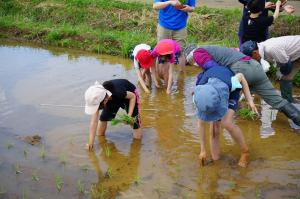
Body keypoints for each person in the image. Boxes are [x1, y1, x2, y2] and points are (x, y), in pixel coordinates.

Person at [184, 44, 300, 126]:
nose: (194, 64)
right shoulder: (213, 49)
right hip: (255, 67)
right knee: (277, 101)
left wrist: (200, 87)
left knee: (221, 92)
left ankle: (219, 121)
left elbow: (214, 70)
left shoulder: (197, 53)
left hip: (240, 68)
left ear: (190, 57)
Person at [194, 65, 258, 167]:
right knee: (214, 128)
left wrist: (250, 100)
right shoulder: (201, 96)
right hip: (211, 92)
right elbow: (200, 124)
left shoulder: (231, 82)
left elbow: (241, 76)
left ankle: (245, 152)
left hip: (230, 90)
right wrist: (202, 150)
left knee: (225, 122)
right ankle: (216, 160)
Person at [84, 79, 142, 150]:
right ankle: (101, 138)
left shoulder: (118, 92)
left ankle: (137, 147)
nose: (97, 108)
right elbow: (94, 122)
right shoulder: (98, 97)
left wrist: (129, 116)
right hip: (111, 98)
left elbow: (133, 97)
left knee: (134, 122)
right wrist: (90, 142)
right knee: (103, 118)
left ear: (104, 100)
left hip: (130, 96)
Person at [241, 37, 300, 103]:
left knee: (285, 74)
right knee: (285, 77)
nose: (251, 61)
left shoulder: (271, 49)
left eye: (250, 58)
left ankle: (288, 102)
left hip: (296, 50)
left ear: (255, 53)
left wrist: (281, 71)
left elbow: (287, 65)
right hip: (291, 54)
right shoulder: (261, 48)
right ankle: (288, 102)